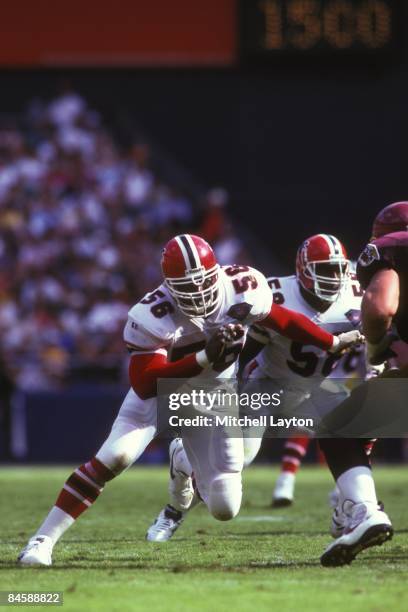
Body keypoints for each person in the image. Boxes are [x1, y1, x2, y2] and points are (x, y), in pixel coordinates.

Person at [18, 234, 361, 566]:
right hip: (159, 397)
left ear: (218, 272)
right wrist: (203, 359)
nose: (198, 292)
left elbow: (282, 318)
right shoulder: (150, 314)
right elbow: (144, 382)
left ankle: (182, 461)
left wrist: (330, 342)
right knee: (114, 456)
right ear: (168, 285)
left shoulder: (243, 287)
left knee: (225, 506)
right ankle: (42, 542)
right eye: (187, 286)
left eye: (204, 282)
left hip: (213, 399)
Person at [146, 234, 364, 541]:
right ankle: (175, 500)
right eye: (324, 270)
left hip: (320, 385)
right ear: (303, 270)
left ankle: (354, 507)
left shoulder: (357, 292)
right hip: (268, 385)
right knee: (237, 461)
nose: (334, 278)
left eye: (338, 269)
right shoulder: (275, 292)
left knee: (356, 426)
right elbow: (243, 348)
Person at [318, 201, 408, 567]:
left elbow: (379, 307)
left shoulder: (389, 251)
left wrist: (377, 346)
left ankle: (365, 512)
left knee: (339, 429)